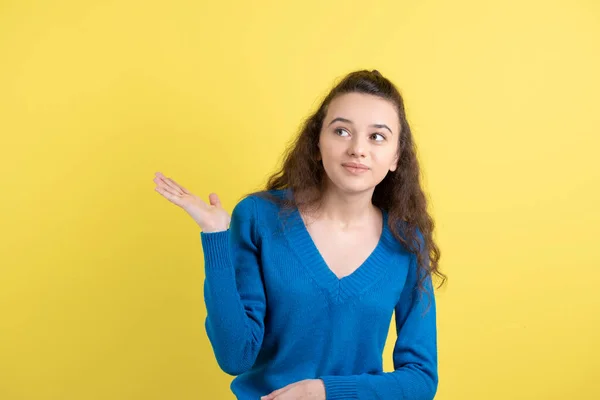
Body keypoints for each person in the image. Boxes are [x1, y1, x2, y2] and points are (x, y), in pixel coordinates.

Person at [153, 69, 448, 400]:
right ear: (317, 143)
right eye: (341, 131)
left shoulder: (406, 242)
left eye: (377, 136)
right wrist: (216, 237)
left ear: (396, 156)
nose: (357, 149)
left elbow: (422, 379)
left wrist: (326, 391)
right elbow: (235, 355)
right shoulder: (258, 218)